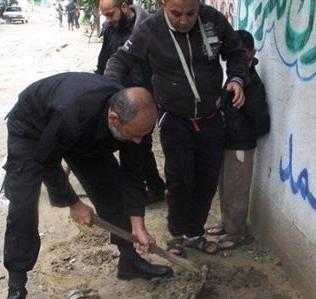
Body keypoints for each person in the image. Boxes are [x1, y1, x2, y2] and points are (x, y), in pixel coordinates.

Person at [0, 72, 173, 299]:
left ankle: (129, 261)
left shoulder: (137, 123)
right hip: (33, 129)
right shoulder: (72, 113)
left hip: (85, 137)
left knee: (113, 192)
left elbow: (133, 173)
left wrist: (138, 225)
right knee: (23, 206)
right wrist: (74, 203)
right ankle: (15, 291)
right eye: (135, 135)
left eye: (143, 135)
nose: (139, 140)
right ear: (114, 119)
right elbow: (46, 160)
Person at [104, 0, 249, 257]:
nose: (184, 20)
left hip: (211, 117)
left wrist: (237, 78)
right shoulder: (150, 29)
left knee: (206, 180)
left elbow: (236, 52)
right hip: (174, 119)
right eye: (176, 13)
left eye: (191, 13)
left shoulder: (213, 19)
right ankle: (177, 233)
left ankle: (194, 233)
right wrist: (109, 91)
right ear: (164, 5)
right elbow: (120, 59)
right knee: (181, 179)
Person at [96, 0, 165, 205]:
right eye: (105, 15)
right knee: (134, 146)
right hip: (115, 94)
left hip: (141, 100)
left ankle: (148, 190)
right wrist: (100, 84)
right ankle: (152, 187)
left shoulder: (145, 30)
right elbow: (105, 59)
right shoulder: (111, 28)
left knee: (137, 146)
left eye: (110, 14)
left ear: (125, 7)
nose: (107, 19)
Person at [206, 29, 270, 249]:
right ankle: (227, 224)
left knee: (237, 189)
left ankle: (237, 232)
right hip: (227, 142)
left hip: (240, 144)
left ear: (251, 53)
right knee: (225, 186)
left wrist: (242, 132)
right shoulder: (233, 77)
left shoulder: (252, 84)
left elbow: (261, 121)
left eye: (243, 53)